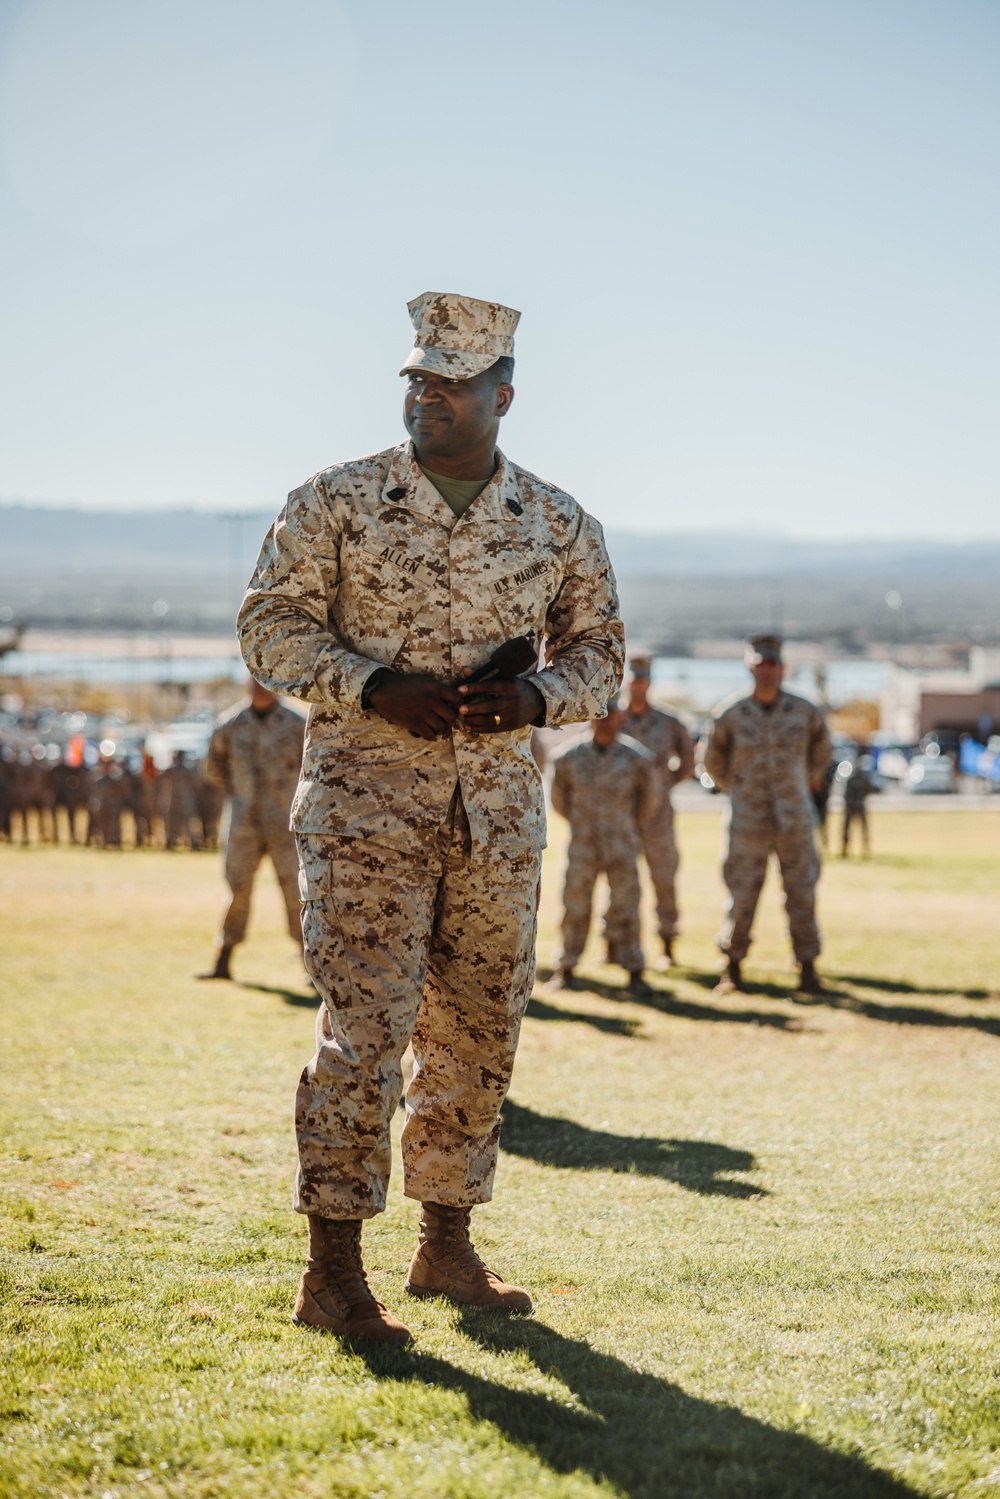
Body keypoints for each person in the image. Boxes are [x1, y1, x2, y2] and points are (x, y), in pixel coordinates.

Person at [237, 291, 623, 1344]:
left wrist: (534, 698)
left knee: (478, 1033)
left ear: (502, 393)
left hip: (494, 818)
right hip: (365, 811)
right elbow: (268, 629)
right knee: (363, 1034)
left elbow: (600, 653)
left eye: (451, 383)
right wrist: (369, 684)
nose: (430, 396)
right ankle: (331, 1272)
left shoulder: (553, 520)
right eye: (418, 379)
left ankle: (445, 1243)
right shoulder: (339, 500)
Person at [703, 634, 832, 995]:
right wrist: (741, 790)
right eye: (760, 664)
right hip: (746, 822)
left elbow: (822, 754)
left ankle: (807, 968)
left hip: (794, 821)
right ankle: (732, 967)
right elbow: (713, 763)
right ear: (750, 667)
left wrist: (796, 786)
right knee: (741, 896)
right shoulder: (730, 714)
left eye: (772, 664)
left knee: (802, 894)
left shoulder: (804, 713)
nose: (767, 671)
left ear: (782, 668)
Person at [549, 698, 659, 995]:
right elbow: (559, 801)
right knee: (575, 906)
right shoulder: (568, 758)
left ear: (621, 717)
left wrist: (625, 825)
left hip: (622, 844)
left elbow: (648, 802)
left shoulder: (637, 758)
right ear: (589, 717)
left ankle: (634, 970)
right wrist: (582, 823)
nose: (605, 720)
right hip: (583, 845)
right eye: (600, 714)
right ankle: (566, 967)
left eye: (611, 714)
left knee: (627, 906)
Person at [198, 678, 306, 980]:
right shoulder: (230, 724)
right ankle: (223, 960)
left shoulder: (297, 723)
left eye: (264, 682)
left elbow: (312, 765)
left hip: (285, 824)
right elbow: (214, 768)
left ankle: (310, 966)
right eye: (253, 682)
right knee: (237, 890)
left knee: (297, 893)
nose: (259, 688)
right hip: (244, 824)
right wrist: (240, 792)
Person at [621, 651, 695, 965]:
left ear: (649, 683)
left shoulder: (669, 723)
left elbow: (688, 763)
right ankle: (617, 945)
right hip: (621, 816)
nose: (638, 685)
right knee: (620, 882)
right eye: (634, 679)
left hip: (658, 818)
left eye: (643, 679)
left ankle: (667, 945)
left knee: (663, 880)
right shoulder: (611, 719)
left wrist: (662, 788)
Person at [841, 751, 875, 857]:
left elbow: (869, 789)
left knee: (863, 828)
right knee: (847, 828)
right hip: (852, 806)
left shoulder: (863, 779)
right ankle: (845, 848)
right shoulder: (852, 780)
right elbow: (846, 794)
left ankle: (865, 848)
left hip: (859, 805)